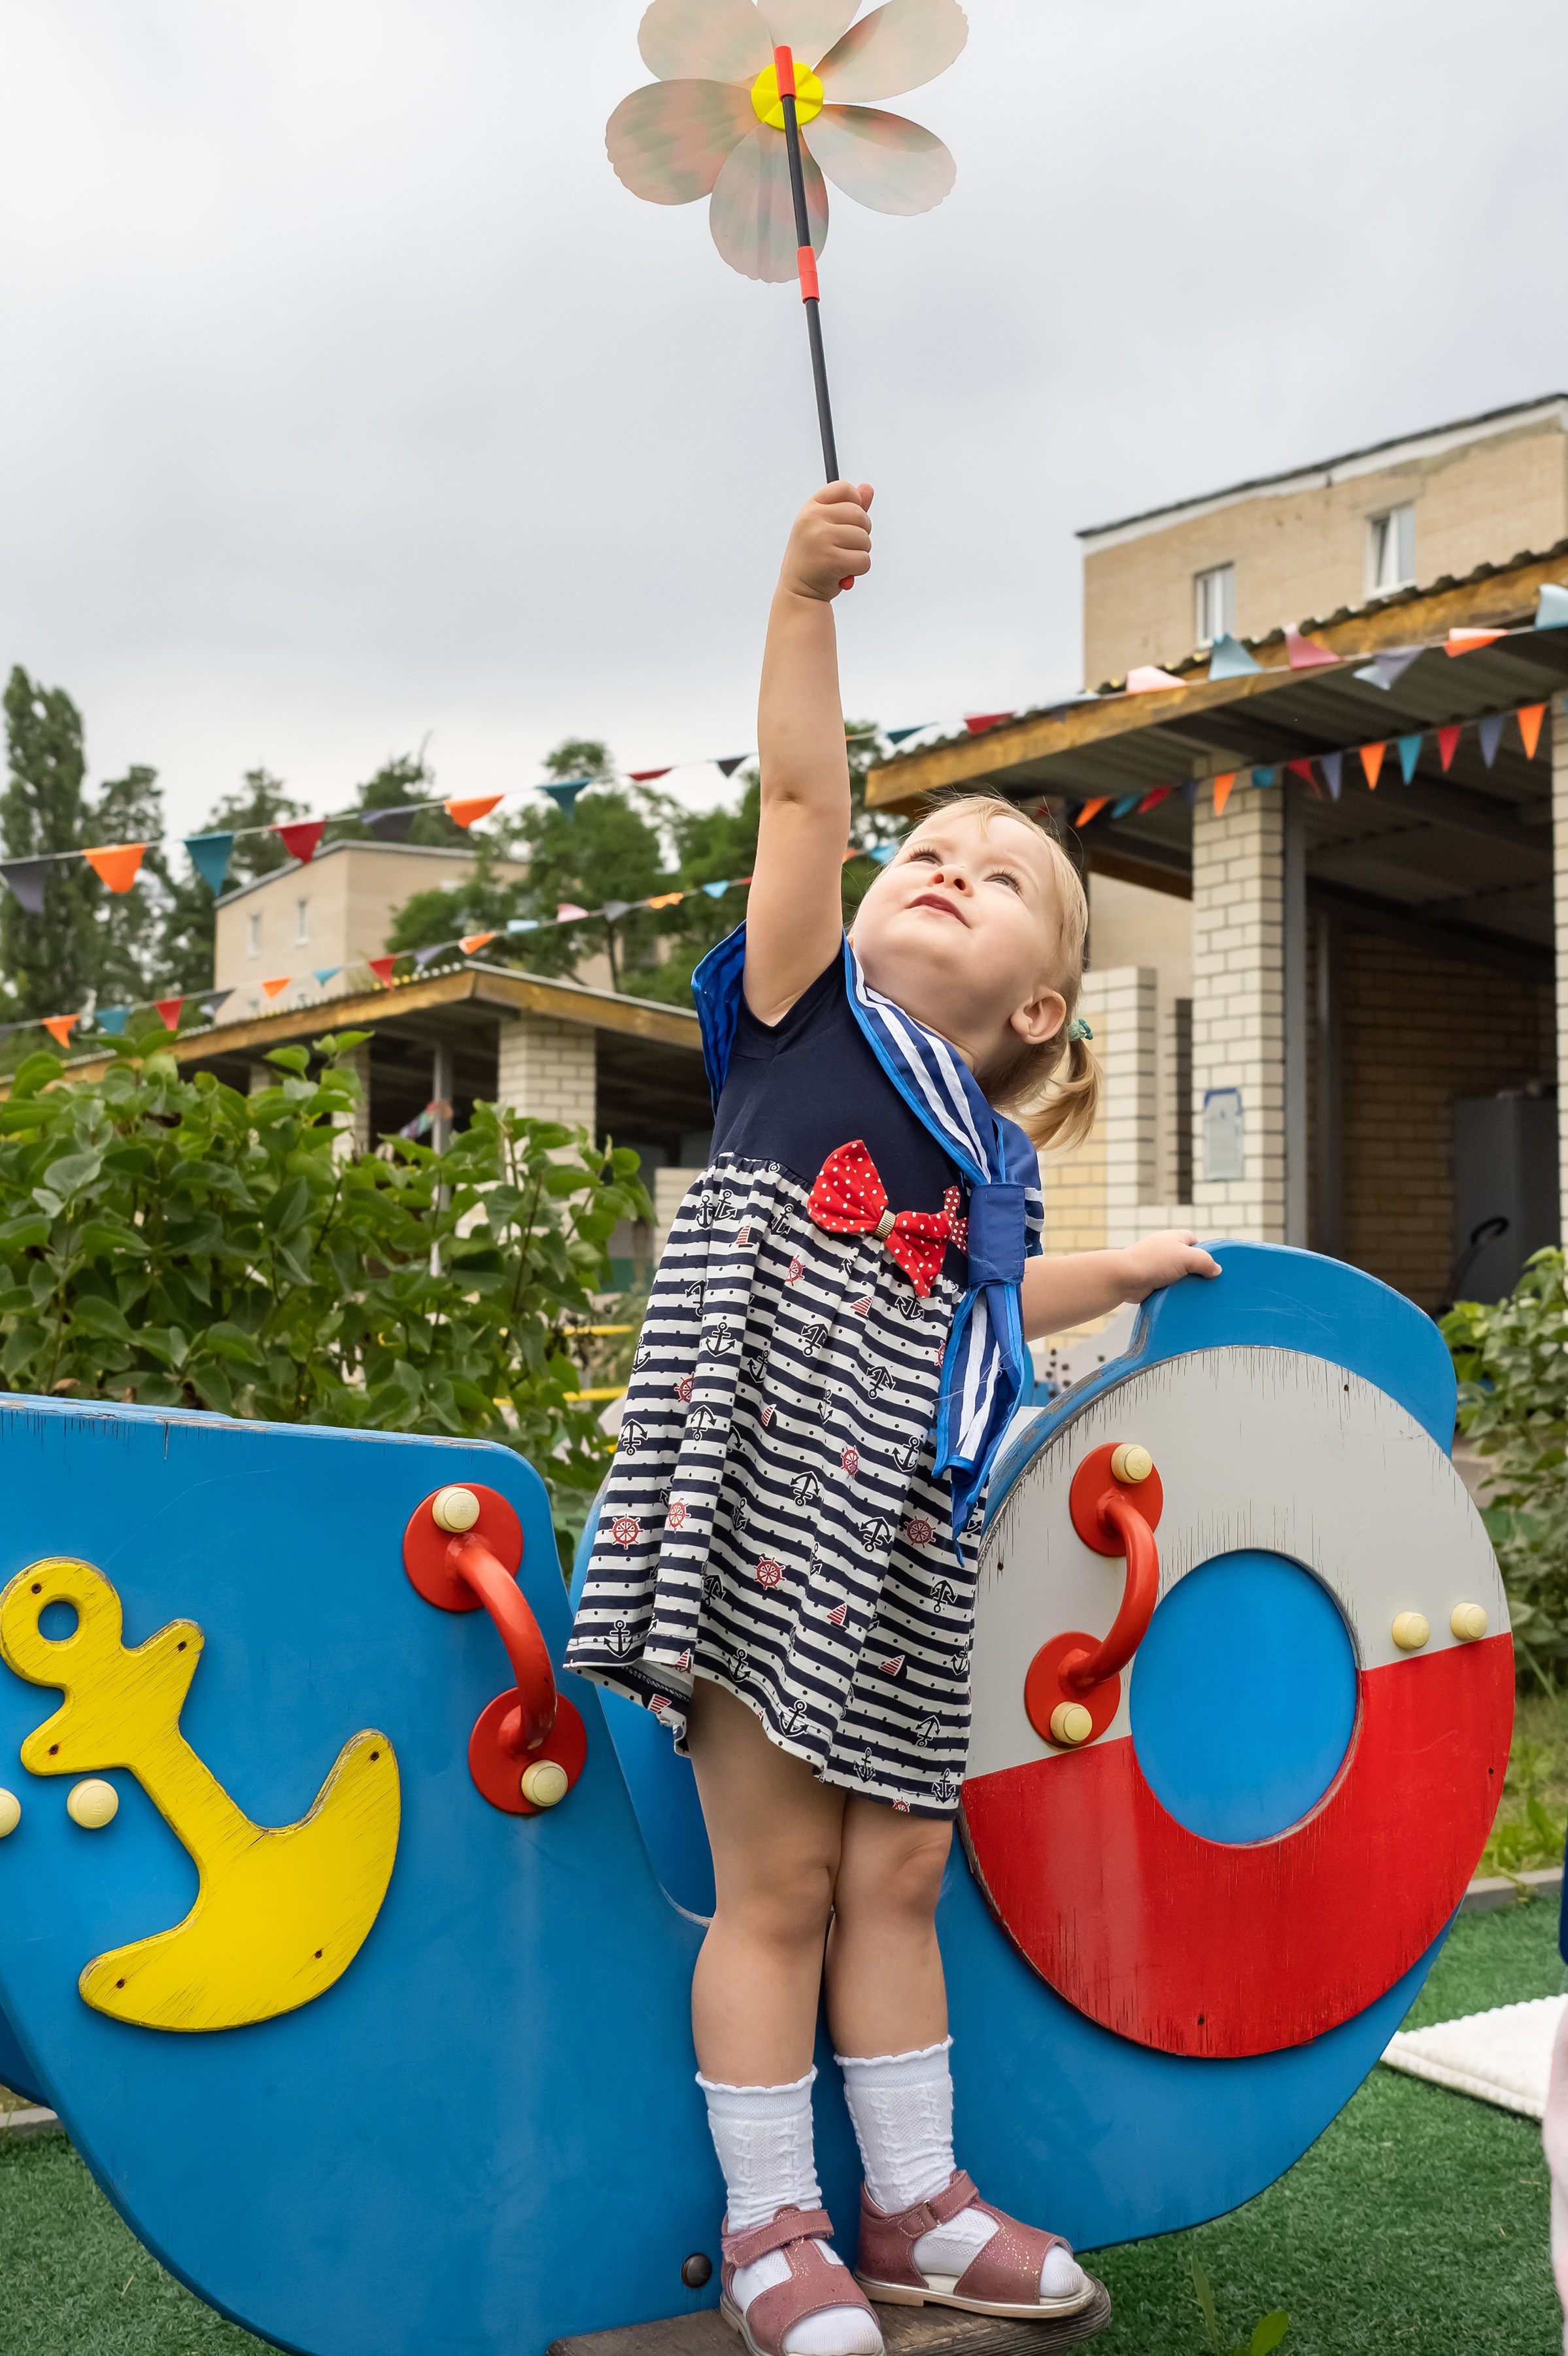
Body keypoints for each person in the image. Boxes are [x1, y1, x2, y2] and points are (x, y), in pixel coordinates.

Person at [566, 482, 1219, 2356]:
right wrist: (798, 594)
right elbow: (798, 799)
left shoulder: (985, 1162)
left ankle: (915, 2198)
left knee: (898, 1864)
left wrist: (1141, 1264)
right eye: (926, 842)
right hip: (772, 1515)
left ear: (1038, 1004)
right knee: (771, 1878)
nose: (946, 860)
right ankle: (777, 2228)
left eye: (999, 870)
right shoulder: (803, 1022)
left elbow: (992, 1303)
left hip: (908, 1541)